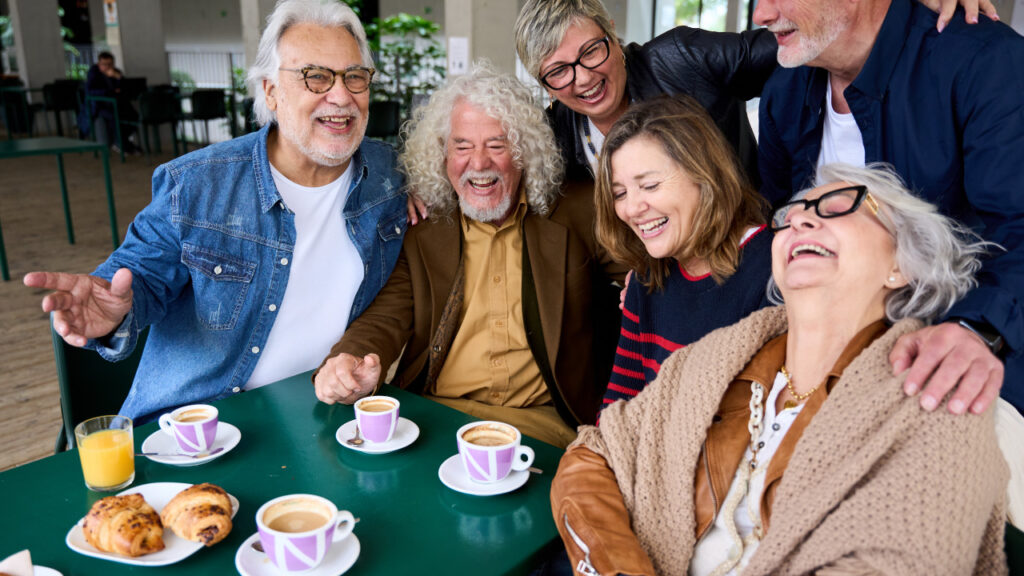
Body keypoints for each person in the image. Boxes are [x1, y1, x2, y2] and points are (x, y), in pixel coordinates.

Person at [551, 163, 1008, 575]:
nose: (801, 218)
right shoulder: (712, 361)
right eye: (791, 215)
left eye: (837, 207)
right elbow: (593, 452)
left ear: (900, 266)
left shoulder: (939, 399)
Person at [23, 0, 407, 423]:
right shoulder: (196, 184)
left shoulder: (390, 175)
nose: (341, 96)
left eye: (355, 77)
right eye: (315, 77)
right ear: (271, 91)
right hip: (197, 429)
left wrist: (429, 188)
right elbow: (140, 272)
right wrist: (119, 307)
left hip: (322, 419)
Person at [313, 65, 627, 448]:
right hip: (435, 416)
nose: (478, 164)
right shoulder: (422, 228)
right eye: (462, 146)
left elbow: (651, 276)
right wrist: (349, 360)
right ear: (442, 154)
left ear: (525, 152)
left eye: (497, 145)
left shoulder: (578, 213)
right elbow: (387, 315)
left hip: (541, 426)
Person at [755, 0, 1021, 416]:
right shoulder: (783, 92)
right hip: (831, 375)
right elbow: (780, 228)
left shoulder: (984, 63)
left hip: (968, 364)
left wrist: (976, 329)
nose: (762, 15)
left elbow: (1020, 229)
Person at [595, 95, 772, 408]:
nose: (632, 208)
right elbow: (618, 406)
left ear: (704, 176)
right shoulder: (646, 277)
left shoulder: (774, 271)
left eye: (649, 186)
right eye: (619, 193)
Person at [513, 0, 776, 184]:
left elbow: (791, 49)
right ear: (544, 84)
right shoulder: (555, 136)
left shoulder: (682, 58)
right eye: (558, 71)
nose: (583, 78)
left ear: (613, 34)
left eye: (591, 51)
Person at [81, 51, 141, 154]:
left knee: (132, 115)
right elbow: (91, 92)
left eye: (110, 64)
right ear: (99, 64)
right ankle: (119, 143)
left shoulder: (115, 72)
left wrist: (118, 78)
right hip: (98, 107)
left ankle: (124, 143)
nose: (108, 67)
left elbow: (124, 89)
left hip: (115, 105)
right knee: (113, 117)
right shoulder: (93, 74)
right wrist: (111, 91)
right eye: (104, 64)